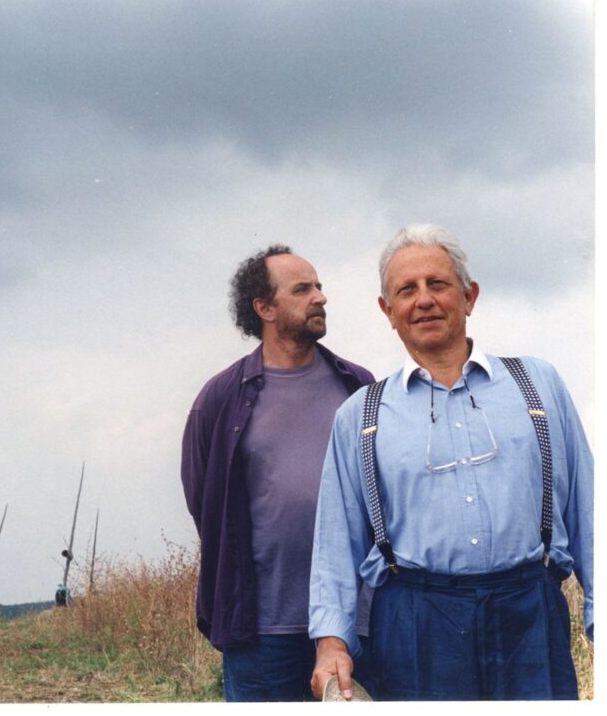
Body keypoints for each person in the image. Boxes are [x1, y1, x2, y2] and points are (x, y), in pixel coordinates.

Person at [309, 224, 593, 701]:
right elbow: (336, 543)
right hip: (415, 623)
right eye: (406, 290)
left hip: (530, 615)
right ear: (388, 311)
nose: (423, 300)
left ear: (469, 296)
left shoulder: (539, 386)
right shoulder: (360, 416)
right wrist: (331, 642)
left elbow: (589, 513)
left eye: (437, 284)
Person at [180, 245, 374, 701]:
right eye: (302, 289)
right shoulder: (220, 399)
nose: (320, 297)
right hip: (261, 630)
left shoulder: (359, 388)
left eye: (319, 286)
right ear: (264, 308)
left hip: (354, 625)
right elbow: (204, 504)